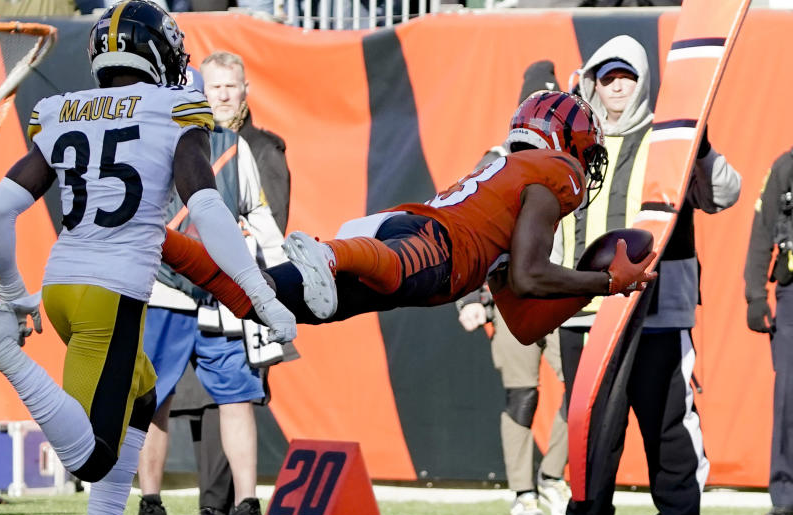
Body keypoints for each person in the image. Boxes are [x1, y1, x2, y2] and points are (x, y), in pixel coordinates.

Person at [0, 0, 296, 515]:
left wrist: (15, 293)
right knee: (91, 455)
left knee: (142, 397)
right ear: (159, 53)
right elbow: (205, 206)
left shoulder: (64, 110)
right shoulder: (175, 108)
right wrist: (259, 294)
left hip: (64, 287)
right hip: (112, 294)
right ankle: (3, 350)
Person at [160, 91, 658, 348]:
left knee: (256, 300)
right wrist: (608, 279)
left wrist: (593, 288)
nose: (584, 166)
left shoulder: (504, 181)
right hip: (425, 249)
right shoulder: (553, 171)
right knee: (402, 273)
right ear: (568, 143)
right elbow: (530, 274)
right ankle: (329, 254)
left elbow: (524, 321)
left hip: (395, 235)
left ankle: (155, 240)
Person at [533, 35, 741, 515]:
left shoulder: (672, 138)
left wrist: (703, 147)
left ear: (644, 82)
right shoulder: (573, 144)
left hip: (656, 302)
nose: (618, 86)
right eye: (608, 77)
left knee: (666, 417)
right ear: (591, 85)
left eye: (627, 76)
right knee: (588, 420)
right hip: (585, 304)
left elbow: (725, 195)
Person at [124, 66, 284, 515]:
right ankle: (150, 503)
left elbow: (257, 212)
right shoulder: (147, 144)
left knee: (238, 396)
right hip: (165, 289)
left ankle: (246, 504)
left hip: (220, 293)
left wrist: (273, 270)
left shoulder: (233, 148)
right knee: (153, 397)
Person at [457, 60, 571, 515]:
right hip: (512, 296)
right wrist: (469, 298)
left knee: (582, 388)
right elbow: (466, 227)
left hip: (567, 292)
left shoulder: (580, 155)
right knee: (521, 394)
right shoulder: (496, 159)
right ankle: (523, 491)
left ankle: (553, 474)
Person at [744, 147, 793, 515]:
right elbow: (763, 230)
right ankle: (787, 494)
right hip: (792, 294)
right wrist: (756, 295)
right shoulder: (786, 165)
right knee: (789, 396)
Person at [201, 50, 291, 233]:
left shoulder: (266, 149)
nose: (223, 96)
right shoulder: (192, 144)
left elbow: (272, 229)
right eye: (215, 87)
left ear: (245, 89)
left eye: (231, 86)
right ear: (202, 90)